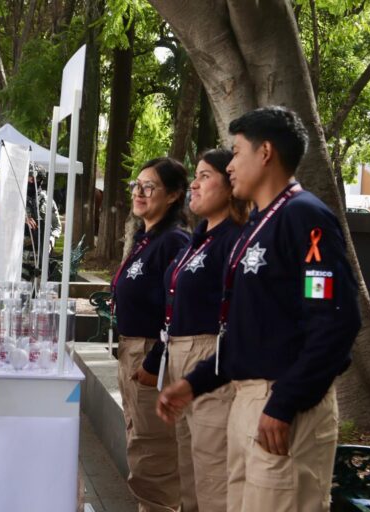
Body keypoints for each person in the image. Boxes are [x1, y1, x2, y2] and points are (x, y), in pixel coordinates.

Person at [157, 106, 361, 512]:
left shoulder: (305, 217)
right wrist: (195, 382)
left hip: (283, 405)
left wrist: (284, 402)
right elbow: (249, 330)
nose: (230, 165)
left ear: (265, 152)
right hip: (247, 402)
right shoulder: (257, 225)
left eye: (236, 152)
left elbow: (335, 323)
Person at [142, 149, 246, 511]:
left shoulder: (235, 237)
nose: (195, 185)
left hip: (209, 355)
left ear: (231, 184)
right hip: (179, 356)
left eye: (205, 176)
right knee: (187, 468)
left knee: (212, 470)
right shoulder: (200, 237)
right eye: (195, 177)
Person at [111, 157, 190, 512]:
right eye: (136, 185)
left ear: (173, 196)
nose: (139, 193)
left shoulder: (174, 241)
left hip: (150, 356)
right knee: (139, 445)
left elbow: (179, 308)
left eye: (149, 187)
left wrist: (156, 360)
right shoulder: (146, 237)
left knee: (153, 456)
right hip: (130, 351)